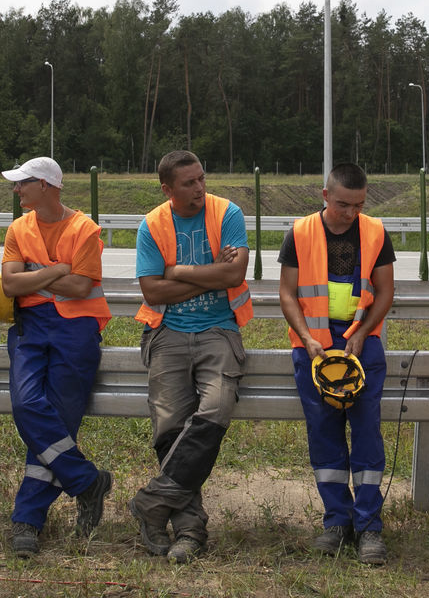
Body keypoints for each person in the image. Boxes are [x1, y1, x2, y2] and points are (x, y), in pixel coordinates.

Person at [128, 150, 251, 564]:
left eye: (201, 179)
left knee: (215, 410)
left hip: (219, 331)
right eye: (189, 183)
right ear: (168, 189)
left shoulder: (227, 213)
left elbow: (233, 275)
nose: (199, 188)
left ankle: (152, 499)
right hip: (167, 332)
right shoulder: (152, 224)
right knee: (170, 428)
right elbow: (152, 292)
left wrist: (176, 272)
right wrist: (205, 274)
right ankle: (189, 530)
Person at [279, 163, 395, 565]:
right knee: (324, 434)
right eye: (344, 204)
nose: (351, 213)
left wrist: (363, 332)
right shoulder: (299, 232)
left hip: (362, 344)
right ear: (325, 195)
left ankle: (369, 527)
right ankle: (336, 521)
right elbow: (288, 293)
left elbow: (385, 290)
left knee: (366, 435)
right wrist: (309, 338)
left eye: (359, 205)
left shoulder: (376, 232)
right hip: (312, 347)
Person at [0, 157, 113, 558]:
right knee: (27, 404)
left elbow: (81, 286)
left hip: (76, 329)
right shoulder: (18, 228)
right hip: (31, 328)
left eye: (22, 184)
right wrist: (55, 270)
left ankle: (27, 520)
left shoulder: (85, 230)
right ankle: (86, 481)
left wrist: (35, 271)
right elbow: (10, 284)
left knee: (59, 421)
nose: (17, 190)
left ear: (45, 186)